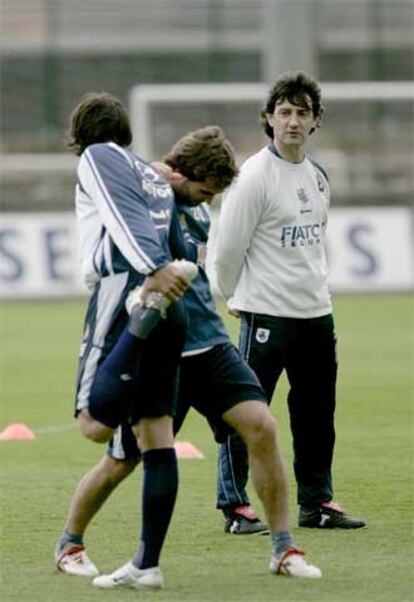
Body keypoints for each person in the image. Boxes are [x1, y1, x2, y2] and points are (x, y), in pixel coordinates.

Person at [55, 126, 322, 590]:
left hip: (210, 344)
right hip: (165, 349)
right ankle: (70, 542)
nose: (207, 201)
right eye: (203, 191)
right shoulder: (145, 199)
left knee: (261, 425)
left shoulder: (197, 208)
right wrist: (154, 177)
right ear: (179, 174)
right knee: (123, 458)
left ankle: (284, 548)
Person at [214, 71, 366, 531]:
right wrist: (235, 297)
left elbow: (316, 245)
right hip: (266, 314)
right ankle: (235, 505)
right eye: (284, 112)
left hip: (315, 315)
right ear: (269, 118)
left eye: (302, 113)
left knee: (318, 414)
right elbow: (228, 250)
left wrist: (323, 296)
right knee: (245, 411)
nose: (293, 121)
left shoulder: (317, 177)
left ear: (316, 121)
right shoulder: (254, 177)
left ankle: (316, 503)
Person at [66, 92, 199, 591]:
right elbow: (180, 243)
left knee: (92, 425)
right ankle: (147, 564)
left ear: (81, 132)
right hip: (172, 306)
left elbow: (130, 225)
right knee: (155, 437)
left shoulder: (96, 157)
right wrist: (174, 268)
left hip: (129, 292)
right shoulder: (150, 172)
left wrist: (153, 275)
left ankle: (141, 326)